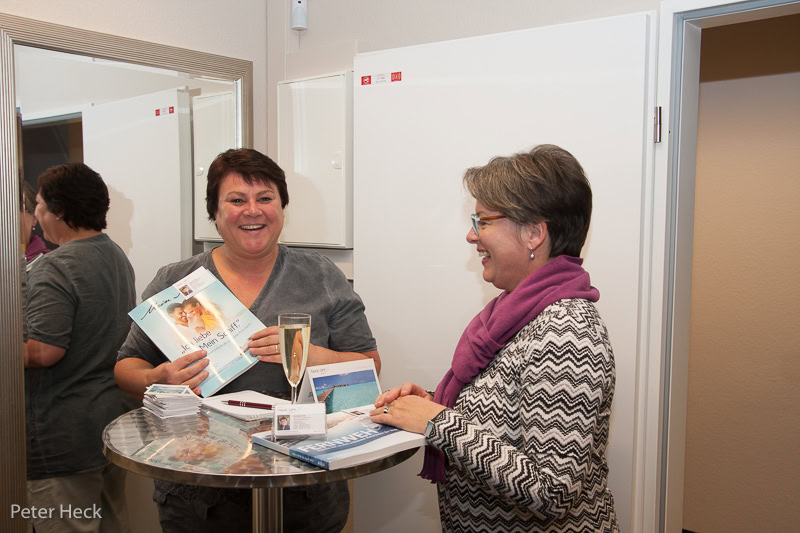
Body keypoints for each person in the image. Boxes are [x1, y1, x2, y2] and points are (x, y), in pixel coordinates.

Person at [114, 148, 380, 533]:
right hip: (198, 489)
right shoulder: (175, 282)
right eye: (236, 200)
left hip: (302, 487)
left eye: (265, 198)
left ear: (282, 209)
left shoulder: (321, 275)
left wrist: (313, 356)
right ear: (215, 213)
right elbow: (126, 367)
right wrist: (160, 376)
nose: (252, 211)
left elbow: (370, 363)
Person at [371, 144, 619, 532]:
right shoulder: (516, 312)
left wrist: (439, 422)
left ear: (534, 233)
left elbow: (552, 490)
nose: (472, 235)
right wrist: (434, 403)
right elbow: (506, 415)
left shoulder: (567, 331)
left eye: (483, 221)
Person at [24, 163, 136, 533]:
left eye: (39, 206)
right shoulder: (113, 253)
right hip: (107, 422)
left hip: (62, 434)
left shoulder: (55, 267)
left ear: (58, 210)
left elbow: (44, 350)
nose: (37, 217)